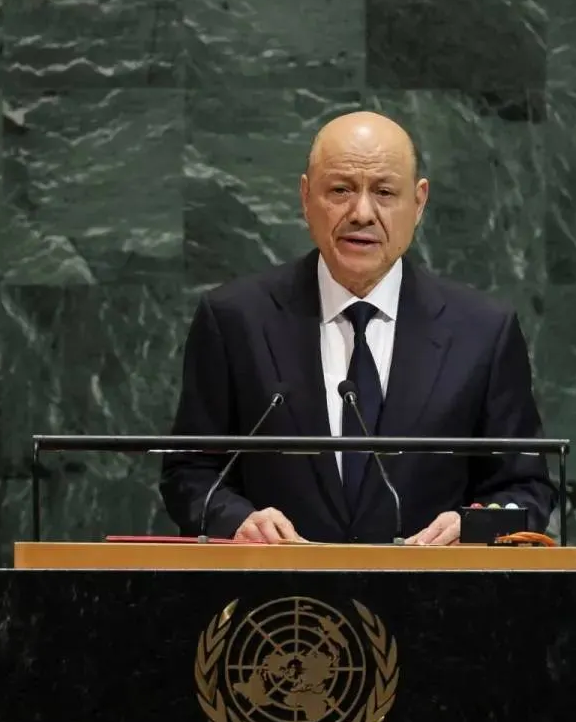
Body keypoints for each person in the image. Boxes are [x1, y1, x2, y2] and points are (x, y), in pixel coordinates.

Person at [159, 111, 553, 545]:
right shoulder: (236, 319)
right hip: (279, 602)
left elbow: (525, 489)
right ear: (306, 197)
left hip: (434, 599)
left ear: (419, 203)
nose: (362, 213)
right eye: (341, 190)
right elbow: (190, 472)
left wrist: (475, 527)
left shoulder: (483, 331)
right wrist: (236, 520)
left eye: (384, 192)